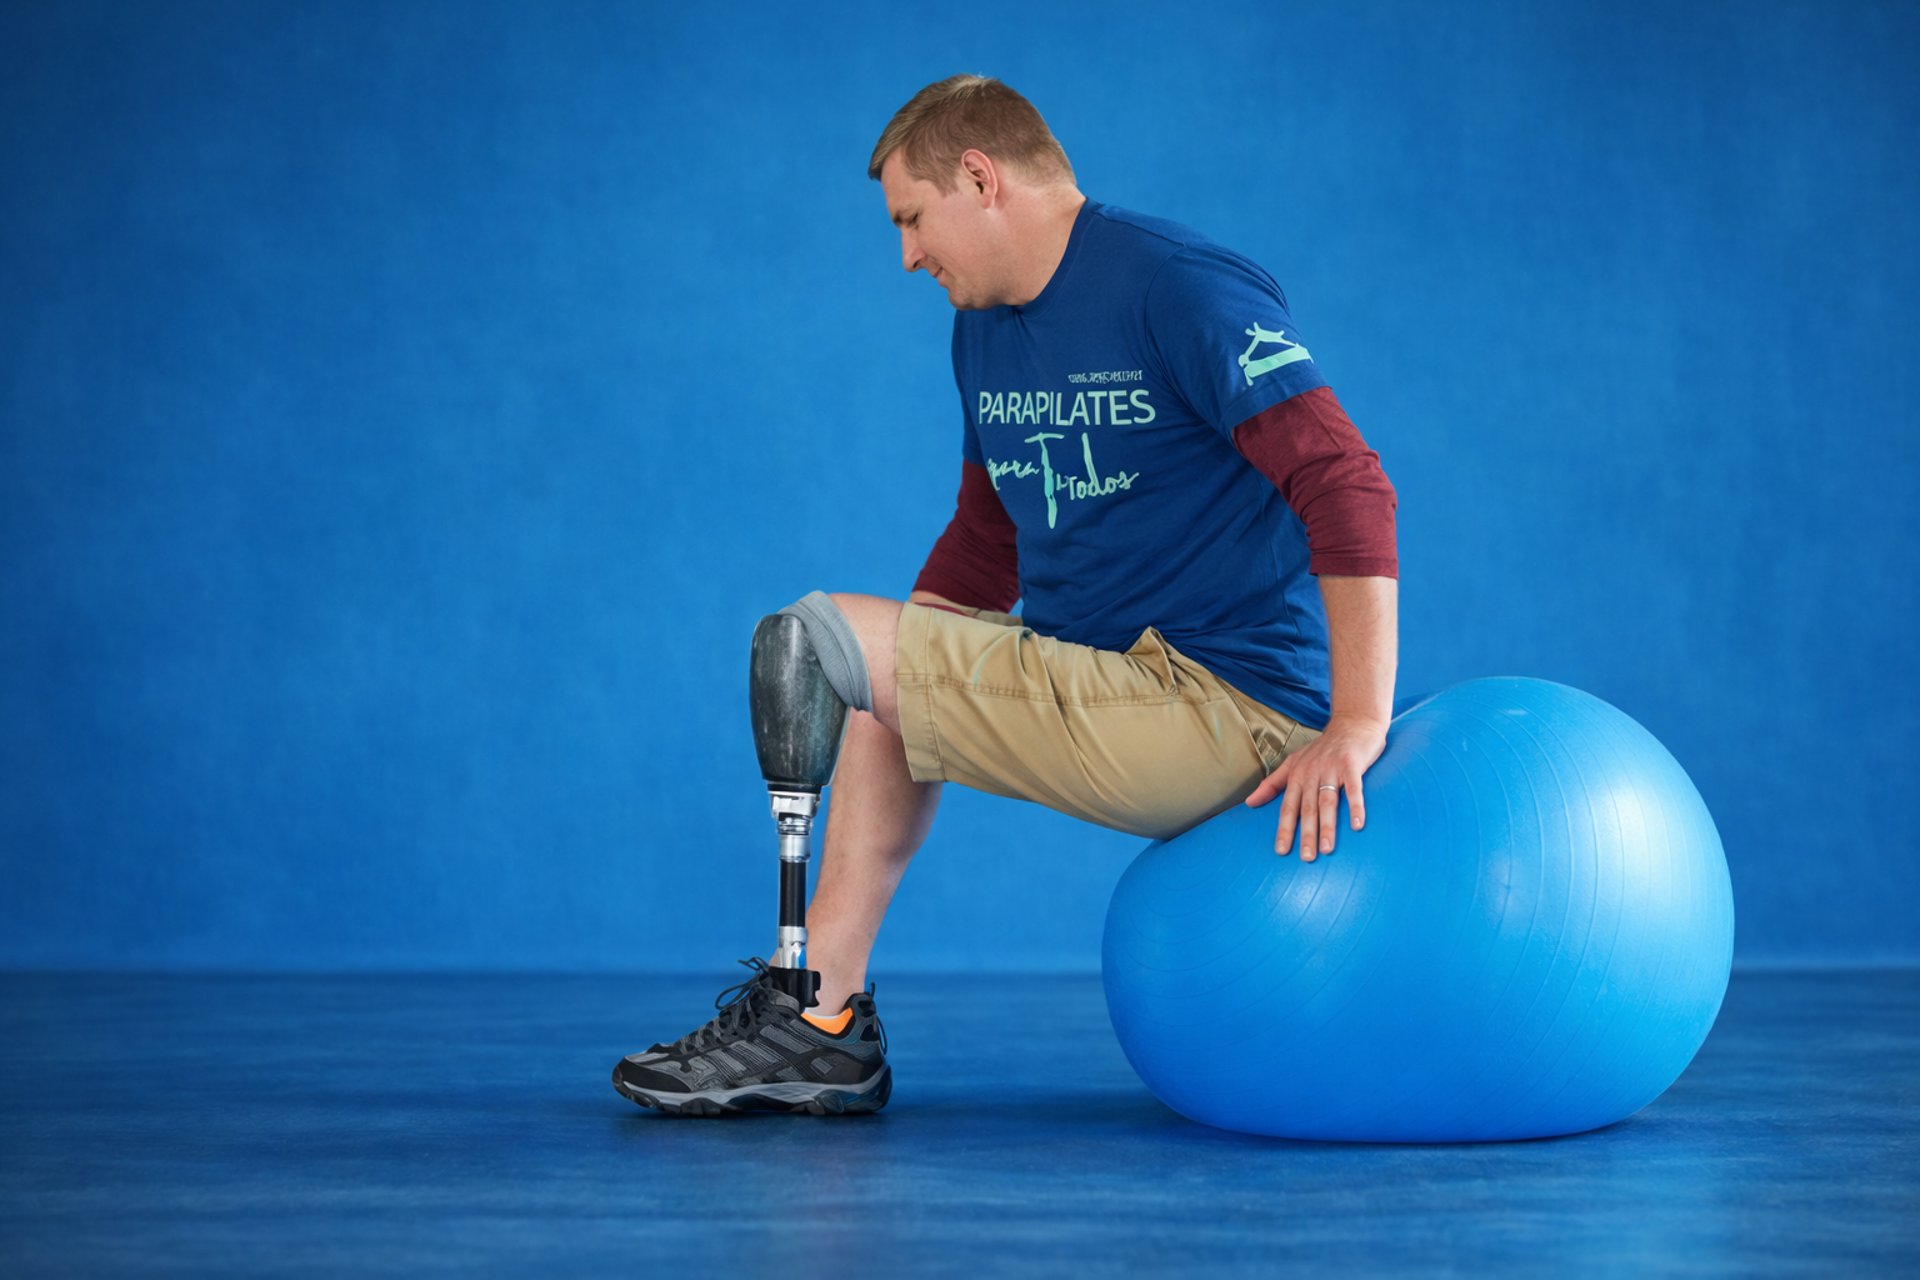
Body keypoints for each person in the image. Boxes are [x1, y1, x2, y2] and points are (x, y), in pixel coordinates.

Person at [613, 75, 1398, 1116]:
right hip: (1109, 682)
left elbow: (1345, 482)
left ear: (980, 179)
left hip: (1228, 706)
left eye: (911, 219)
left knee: (820, 635)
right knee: (873, 681)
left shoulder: (1179, 288)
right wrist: (890, 682)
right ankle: (821, 1019)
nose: (905, 257)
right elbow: (989, 537)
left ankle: (815, 1013)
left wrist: (1355, 720)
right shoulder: (981, 327)